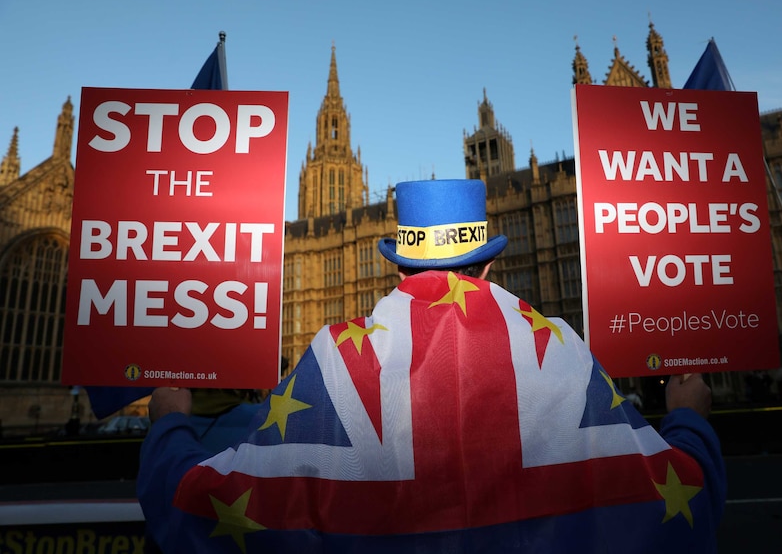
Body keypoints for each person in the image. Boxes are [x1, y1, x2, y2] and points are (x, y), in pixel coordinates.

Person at [137, 179, 725, 553]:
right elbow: (676, 506)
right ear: (488, 267)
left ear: (399, 268)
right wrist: (689, 422)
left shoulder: (339, 362)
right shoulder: (559, 351)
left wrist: (170, 423)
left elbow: (207, 510)